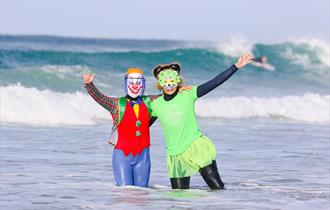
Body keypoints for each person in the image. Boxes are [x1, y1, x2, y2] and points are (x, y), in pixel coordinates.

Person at [150, 54, 253, 190]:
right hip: (175, 155)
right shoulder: (155, 104)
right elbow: (142, 125)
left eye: (172, 82)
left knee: (216, 188)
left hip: (196, 147)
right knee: (178, 198)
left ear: (178, 81)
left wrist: (235, 67)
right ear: (159, 84)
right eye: (165, 83)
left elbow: (214, 83)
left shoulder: (188, 94)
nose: (169, 86)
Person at [83, 68, 190, 187]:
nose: (135, 86)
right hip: (122, 157)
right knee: (125, 192)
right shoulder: (116, 105)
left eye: (138, 82)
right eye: (131, 82)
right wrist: (89, 85)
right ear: (126, 84)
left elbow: (167, 95)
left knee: (142, 193)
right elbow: (101, 98)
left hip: (143, 157)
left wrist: (178, 89)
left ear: (143, 84)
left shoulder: (150, 101)